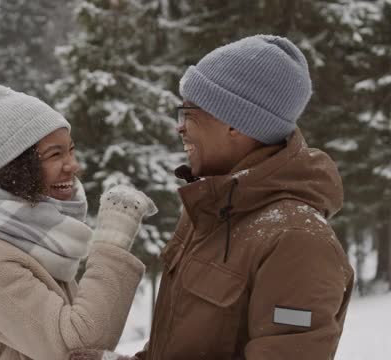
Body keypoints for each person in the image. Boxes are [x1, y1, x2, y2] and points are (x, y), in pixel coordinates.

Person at [70, 35, 354, 360]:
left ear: (236, 124)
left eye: (189, 113)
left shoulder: (297, 240)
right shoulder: (211, 211)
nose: (180, 128)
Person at [0, 84, 157, 360]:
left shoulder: (33, 240)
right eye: (55, 154)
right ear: (15, 165)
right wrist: (113, 238)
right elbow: (78, 346)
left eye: (70, 150)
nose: (72, 165)